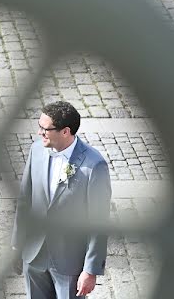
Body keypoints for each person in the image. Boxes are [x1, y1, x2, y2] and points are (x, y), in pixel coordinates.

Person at [12, 101, 112, 298]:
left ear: (65, 131)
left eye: (45, 128)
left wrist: (90, 270)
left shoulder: (94, 165)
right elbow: (25, 200)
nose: (40, 132)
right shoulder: (37, 151)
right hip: (34, 255)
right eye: (39, 126)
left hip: (70, 263)